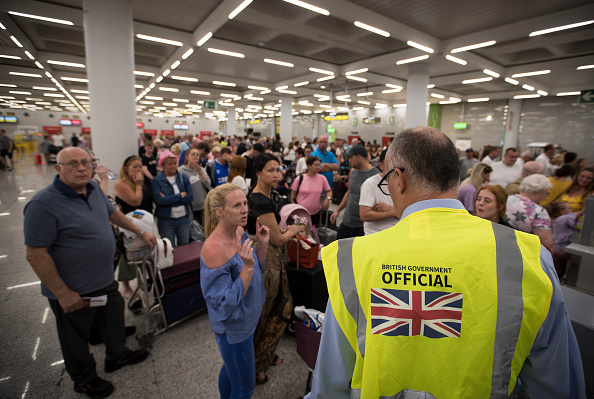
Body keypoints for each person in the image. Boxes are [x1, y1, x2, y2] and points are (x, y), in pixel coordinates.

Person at [307, 127, 585, 399]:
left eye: (386, 179)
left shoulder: (355, 257)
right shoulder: (528, 256)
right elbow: (557, 383)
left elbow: (331, 380)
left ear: (399, 178)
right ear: (454, 176)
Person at [24, 147, 155, 399]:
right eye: (73, 164)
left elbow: (114, 214)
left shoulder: (94, 189)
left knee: (113, 316)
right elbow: (35, 254)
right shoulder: (42, 204)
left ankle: (117, 355)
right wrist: (62, 293)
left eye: (86, 162)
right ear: (58, 168)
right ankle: (84, 379)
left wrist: (140, 231)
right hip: (72, 287)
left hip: (104, 279)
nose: (82, 168)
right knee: (75, 336)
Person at [200, 184, 268, 399]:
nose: (244, 209)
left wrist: (263, 245)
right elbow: (223, 305)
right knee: (244, 389)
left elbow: (255, 269)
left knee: (232, 370)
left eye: (245, 203)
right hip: (234, 328)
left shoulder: (240, 231)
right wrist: (247, 267)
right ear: (219, 211)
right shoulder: (214, 248)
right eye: (236, 205)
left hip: (247, 319)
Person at [246, 154, 300, 384]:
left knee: (274, 306)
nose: (276, 174)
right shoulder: (259, 199)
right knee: (269, 309)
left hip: (268, 258)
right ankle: (256, 364)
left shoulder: (269, 196)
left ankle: (263, 355)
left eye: (278, 170)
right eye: (270, 170)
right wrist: (294, 230)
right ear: (258, 173)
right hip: (265, 259)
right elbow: (277, 239)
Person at [331, 145, 380, 239]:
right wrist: (338, 210)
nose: (349, 161)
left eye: (351, 158)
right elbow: (349, 193)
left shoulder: (376, 176)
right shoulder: (353, 172)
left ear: (359, 157)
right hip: (348, 221)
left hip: (364, 225)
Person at [152, 150, 194, 247]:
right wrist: (179, 196)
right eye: (169, 164)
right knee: (168, 247)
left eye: (175, 163)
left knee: (184, 246)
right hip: (166, 220)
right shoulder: (157, 181)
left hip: (184, 218)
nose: (173, 166)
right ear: (163, 165)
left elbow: (190, 197)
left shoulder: (183, 177)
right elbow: (160, 201)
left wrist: (169, 199)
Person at [505, 174, 553, 253]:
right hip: (521, 252)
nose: (546, 197)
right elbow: (546, 244)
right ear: (537, 192)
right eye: (546, 193)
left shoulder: (506, 199)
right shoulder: (538, 212)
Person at [359, 149, 399, 235]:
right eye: (390, 164)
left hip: (397, 234)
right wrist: (394, 212)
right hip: (375, 235)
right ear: (381, 165)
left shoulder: (403, 183)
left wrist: (392, 210)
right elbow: (364, 215)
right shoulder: (370, 184)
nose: (394, 168)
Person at [547, 201, 586, 277]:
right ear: (562, 211)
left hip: (556, 248)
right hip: (561, 249)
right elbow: (580, 213)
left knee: (557, 270)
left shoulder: (556, 219)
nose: (572, 211)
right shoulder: (564, 218)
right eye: (569, 209)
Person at [290, 156, 332, 226]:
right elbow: (293, 194)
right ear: (309, 166)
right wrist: (294, 207)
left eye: (319, 165)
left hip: (315, 213)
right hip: (300, 213)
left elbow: (329, 191)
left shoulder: (322, 178)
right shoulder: (300, 178)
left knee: (313, 233)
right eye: (316, 165)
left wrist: (328, 199)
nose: (318, 167)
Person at [179, 148, 211, 224]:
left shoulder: (201, 169)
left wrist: (200, 173)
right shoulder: (181, 171)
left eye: (197, 155)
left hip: (202, 206)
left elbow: (208, 184)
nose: (196, 156)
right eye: (193, 154)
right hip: (189, 207)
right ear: (187, 157)